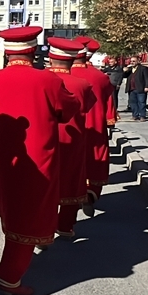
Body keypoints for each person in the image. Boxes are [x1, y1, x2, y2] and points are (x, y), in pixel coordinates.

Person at [0, 26, 79, 295]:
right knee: (28, 216)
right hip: (35, 157)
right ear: (33, 51)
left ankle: (11, 267)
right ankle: (9, 278)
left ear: (8, 53)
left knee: (12, 210)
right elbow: (68, 110)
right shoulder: (48, 81)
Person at [45, 38, 95, 239]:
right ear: (72, 60)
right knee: (72, 181)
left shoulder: (41, 79)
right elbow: (88, 107)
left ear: (50, 58)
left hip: (45, 138)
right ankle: (65, 225)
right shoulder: (83, 84)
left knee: (45, 183)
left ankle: (44, 228)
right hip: (74, 138)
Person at [71, 38, 116, 214]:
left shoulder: (61, 74)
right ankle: (90, 193)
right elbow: (108, 101)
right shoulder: (100, 77)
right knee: (95, 160)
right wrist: (110, 120)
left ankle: (67, 213)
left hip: (69, 125)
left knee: (69, 162)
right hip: (95, 124)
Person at [123, 56, 148, 121]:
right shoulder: (129, 69)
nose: (132, 62)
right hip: (131, 89)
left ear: (138, 61)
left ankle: (142, 116)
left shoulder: (143, 68)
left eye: (134, 61)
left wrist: (147, 86)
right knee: (132, 103)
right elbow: (124, 76)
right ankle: (135, 115)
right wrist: (125, 71)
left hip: (140, 88)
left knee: (141, 102)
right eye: (131, 61)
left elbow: (146, 78)